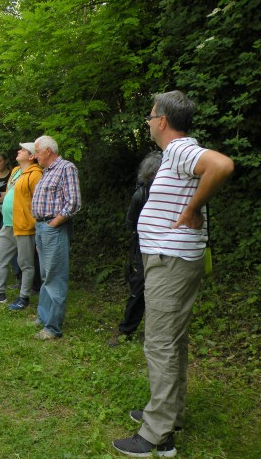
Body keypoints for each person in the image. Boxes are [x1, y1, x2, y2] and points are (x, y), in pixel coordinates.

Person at [113, 91, 234, 457]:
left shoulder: (180, 149)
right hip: (171, 259)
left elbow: (223, 166)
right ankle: (170, 414)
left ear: (162, 121)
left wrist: (194, 208)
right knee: (173, 341)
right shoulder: (174, 156)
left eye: (151, 116)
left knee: (160, 342)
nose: (149, 122)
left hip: (171, 260)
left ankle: (157, 435)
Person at [108, 151, 162, 347]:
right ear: (150, 174)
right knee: (138, 289)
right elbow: (131, 223)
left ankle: (155, 332)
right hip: (142, 248)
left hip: (166, 249)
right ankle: (125, 330)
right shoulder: (141, 194)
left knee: (161, 292)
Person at [31, 135, 81, 340]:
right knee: (45, 275)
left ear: (48, 151)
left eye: (37, 152)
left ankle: (53, 327)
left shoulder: (66, 168)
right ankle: (43, 317)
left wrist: (54, 223)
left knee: (55, 277)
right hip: (42, 227)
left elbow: (74, 202)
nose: (35, 156)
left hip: (53, 227)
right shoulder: (47, 171)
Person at [0, 143, 42, 311]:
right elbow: (10, 192)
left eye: (23, 150)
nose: (19, 151)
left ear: (31, 156)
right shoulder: (16, 171)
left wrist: (35, 222)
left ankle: (23, 297)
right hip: (8, 223)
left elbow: (38, 201)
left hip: (24, 225)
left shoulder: (36, 174)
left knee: (25, 263)